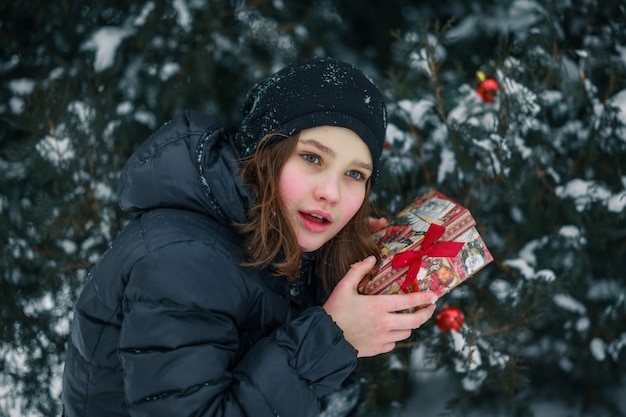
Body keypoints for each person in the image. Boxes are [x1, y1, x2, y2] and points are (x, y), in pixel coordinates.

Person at [61, 56, 437, 417]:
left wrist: (330, 277)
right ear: (264, 151)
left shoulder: (271, 238)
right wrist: (332, 337)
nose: (332, 193)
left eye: (355, 174)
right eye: (312, 158)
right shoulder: (182, 262)